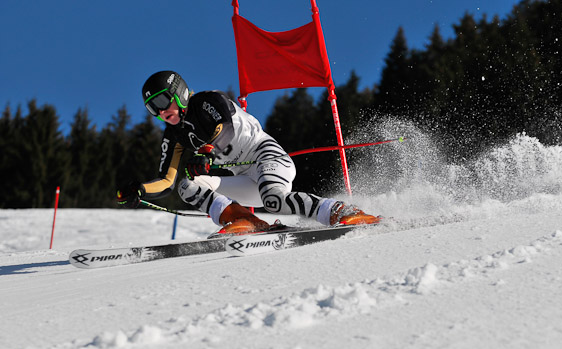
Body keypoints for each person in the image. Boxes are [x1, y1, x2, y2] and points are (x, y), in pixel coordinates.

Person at [116, 70, 380, 235]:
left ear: (179, 93)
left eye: (162, 102)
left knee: (275, 200)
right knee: (188, 186)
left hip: (268, 158)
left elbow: (224, 124)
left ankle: (342, 211)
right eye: (153, 109)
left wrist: (206, 152)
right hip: (244, 177)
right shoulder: (174, 135)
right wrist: (139, 190)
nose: (161, 112)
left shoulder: (206, 101)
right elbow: (166, 181)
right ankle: (245, 221)